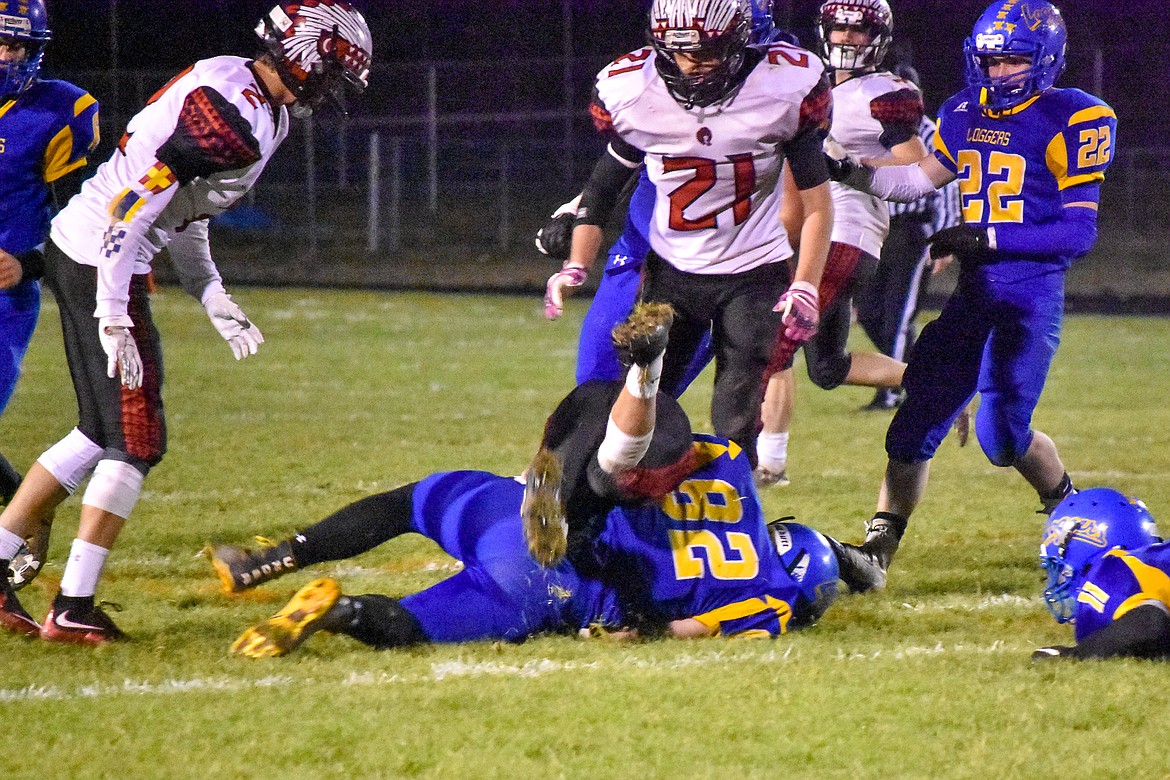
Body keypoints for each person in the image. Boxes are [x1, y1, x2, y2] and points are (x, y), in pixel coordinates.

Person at [0, 1, 373, 644]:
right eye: (334, 70)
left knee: (98, 430)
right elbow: (134, 206)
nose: (334, 88)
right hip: (101, 255)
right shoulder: (235, 115)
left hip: (90, 249)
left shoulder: (257, 102)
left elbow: (188, 210)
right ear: (306, 56)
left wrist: (210, 293)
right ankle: (73, 604)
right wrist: (112, 311)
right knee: (137, 438)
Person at [219, 307, 847, 657]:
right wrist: (649, 629)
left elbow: (705, 449)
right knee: (415, 626)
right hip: (555, 579)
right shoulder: (770, 596)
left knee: (408, 502)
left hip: (510, 503)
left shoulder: (735, 477)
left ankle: (277, 557)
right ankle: (345, 612)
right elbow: (704, 625)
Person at [827, 0, 1116, 592]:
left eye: (1011, 60)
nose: (997, 73)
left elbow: (1077, 231)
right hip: (974, 296)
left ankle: (1073, 512)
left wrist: (986, 235)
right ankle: (878, 550)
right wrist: (845, 168)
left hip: (1028, 296)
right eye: (989, 60)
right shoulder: (962, 111)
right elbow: (912, 180)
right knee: (912, 427)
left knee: (1002, 438)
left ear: (1045, 60)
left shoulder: (1076, 115)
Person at [543, 0, 834, 469]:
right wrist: (576, 264)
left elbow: (818, 203)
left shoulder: (783, 88)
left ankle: (736, 524)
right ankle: (613, 507)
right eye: (680, 53)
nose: (691, 67)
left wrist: (806, 282)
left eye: (707, 53)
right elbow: (601, 190)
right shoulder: (636, 92)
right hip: (672, 273)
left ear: (741, 44)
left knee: (735, 418)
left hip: (753, 275)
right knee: (634, 399)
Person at [536, 0, 790, 390]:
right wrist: (575, 210)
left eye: (714, 50)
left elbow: (802, 198)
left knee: (655, 400)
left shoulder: (783, 89)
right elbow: (620, 164)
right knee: (596, 385)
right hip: (642, 252)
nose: (701, 65)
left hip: (726, 270)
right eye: (690, 51)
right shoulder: (656, 84)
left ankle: (737, 454)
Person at [753, 0, 925, 487]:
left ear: (879, 39)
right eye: (839, 29)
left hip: (848, 231)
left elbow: (918, 171)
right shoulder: (813, 81)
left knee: (769, 345)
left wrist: (852, 167)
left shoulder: (884, 93)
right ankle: (933, 382)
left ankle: (766, 464)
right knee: (827, 367)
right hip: (812, 233)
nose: (847, 39)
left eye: (858, 31)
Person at [0, 0, 100, 589]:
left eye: (18, 46)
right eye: (0, 44)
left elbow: (89, 217)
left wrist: (31, 264)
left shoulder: (61, 112)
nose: (7, 57)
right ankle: (26, 507)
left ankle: (23, 513)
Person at [854, 65, 962, 412]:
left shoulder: (928, 132)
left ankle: (890, 391)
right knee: (869, 312)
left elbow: (945, 188)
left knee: (897, 316)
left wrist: (942, 238)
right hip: (872, 228)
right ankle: (927, 375)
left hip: (910, 232)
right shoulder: (866, 128)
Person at [1033, 488, 1170, 661]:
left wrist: (1073, 655)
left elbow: (1150, 622)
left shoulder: (1114, 569)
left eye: (1058, 568)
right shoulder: (1151, 564)